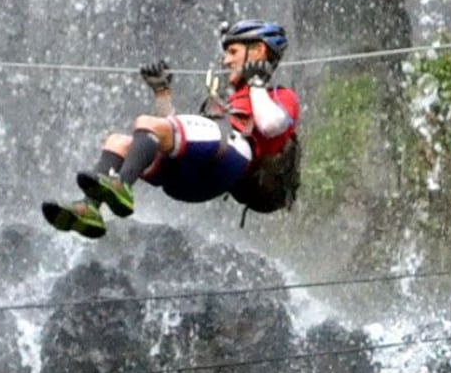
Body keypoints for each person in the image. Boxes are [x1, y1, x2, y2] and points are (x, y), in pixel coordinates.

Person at [42, 19, 300, 238]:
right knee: (118, 142)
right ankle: (90, 209)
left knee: (146, 123)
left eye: (232, 52)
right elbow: (172, 138)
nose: (225, 61)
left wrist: (256, 83)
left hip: (234, 158)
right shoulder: (229, 100)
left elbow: (270, 125)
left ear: (257, 51)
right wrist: (162, 92)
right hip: (191, 180)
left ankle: (122, 187)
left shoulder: (279, 95)